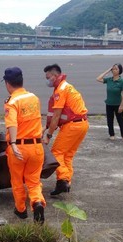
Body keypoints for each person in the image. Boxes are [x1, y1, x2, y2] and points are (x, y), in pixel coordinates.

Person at [2, 67, 46, 224]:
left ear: (8, 83)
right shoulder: (34, 97)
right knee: (34, 180)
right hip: (36, 147)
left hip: (19, 148)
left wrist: (13, 143)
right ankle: (37, 202)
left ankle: (21, 210)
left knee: (17, 181)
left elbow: (12, 123)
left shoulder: (11, 102)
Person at [42, 63, 89, 196]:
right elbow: (55, 116)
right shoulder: (66, 86)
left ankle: (62, 180)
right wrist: (45, 128)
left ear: (55, 75)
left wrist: (48, 135)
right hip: (82, 124)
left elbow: (57, 115)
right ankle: (65, 182)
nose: (46, 80)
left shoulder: (60, 90)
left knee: (56, 152)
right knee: (67, 155)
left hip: (72, 126)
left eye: (48, 77)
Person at [96, 63, 123, 141]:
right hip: (109, 103)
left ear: (120, 70)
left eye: (116, 69)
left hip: (118, 104)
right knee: (110, 120)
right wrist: (107, 70)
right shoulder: (109, 80)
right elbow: (98, 79)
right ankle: (111, 134)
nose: (114, 70)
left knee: (120, 120)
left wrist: (122, 105)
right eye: (113, 69)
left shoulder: (122, 81)